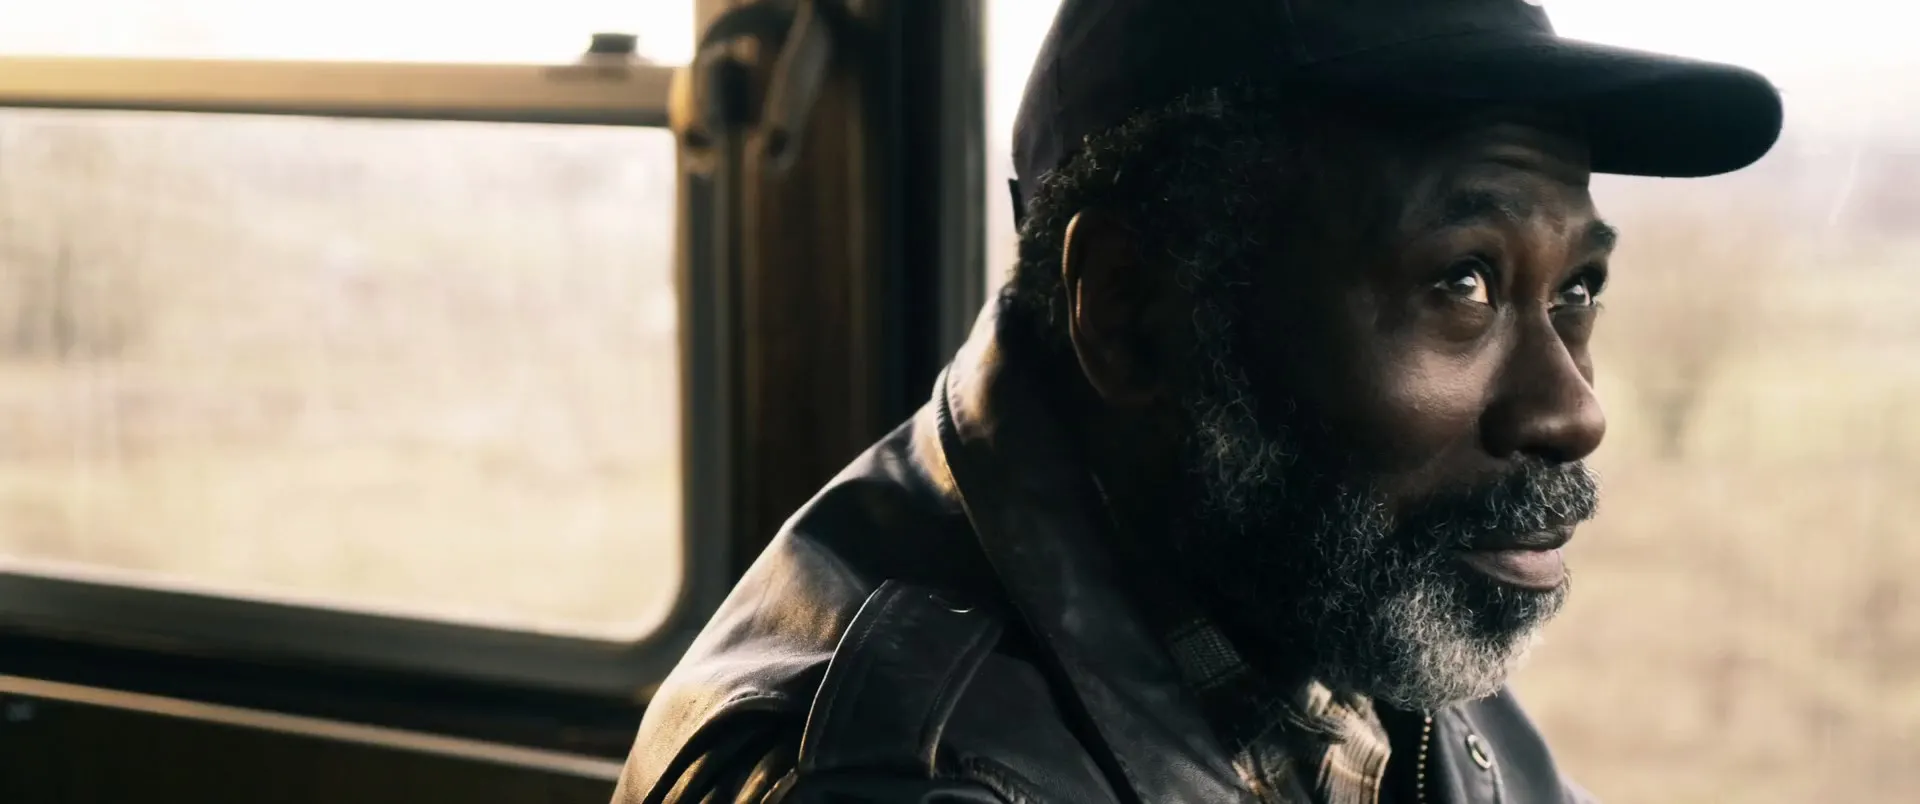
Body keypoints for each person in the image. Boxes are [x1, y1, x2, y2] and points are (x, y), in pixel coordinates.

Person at [612, 0, 1782, 801]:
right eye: (1462, 283)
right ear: (1132, 313)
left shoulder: (1337, 581)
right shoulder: (891, 774)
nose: (1572, 412)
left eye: (1577, 290)